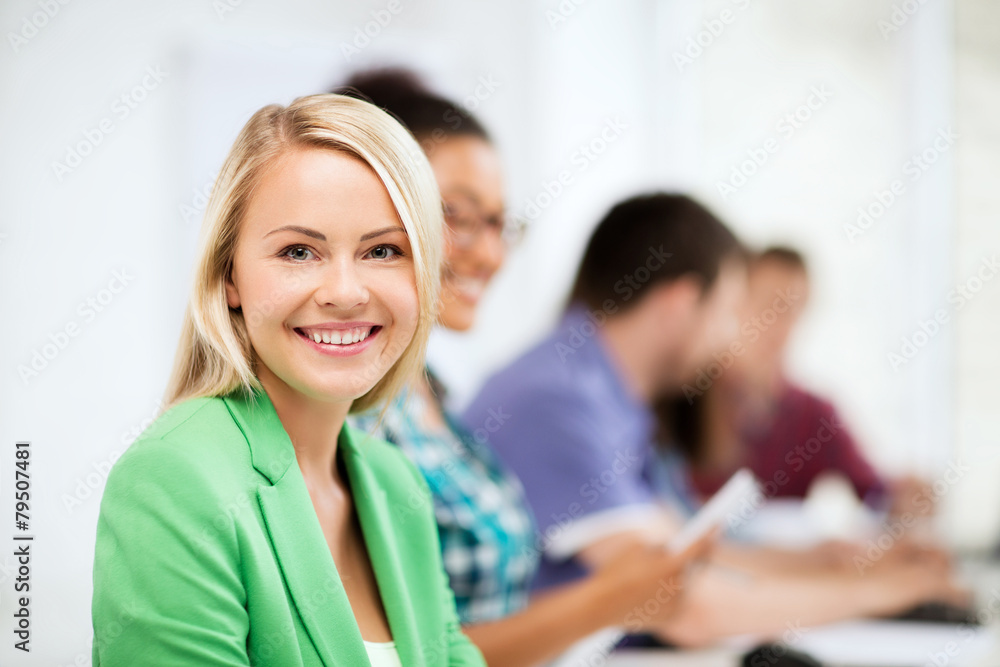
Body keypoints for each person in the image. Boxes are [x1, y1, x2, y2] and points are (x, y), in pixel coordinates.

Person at [464, 194, 965, 647]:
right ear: (680, 304)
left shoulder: (614, 398)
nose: (730, 337)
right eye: (728, 311)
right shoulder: (556, 400)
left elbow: (685, 551)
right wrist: (878, 592)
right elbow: (683, 603)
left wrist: (833, 562)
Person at [91, 93, 485, 665]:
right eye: (299, 251)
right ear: (229, 276)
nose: (346, 292)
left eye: (383, 250)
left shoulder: (393, 481)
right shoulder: (171, 481)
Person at [339, 70, 711, 666]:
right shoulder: (348, 415)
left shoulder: (432, 396)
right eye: (458, 214)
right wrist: (609, 600)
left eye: (500, 224)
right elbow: (404, 655)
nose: (489, 253)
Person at [665, 245, 932, 518]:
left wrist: (906, 498)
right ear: (733, 303)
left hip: (787, 559)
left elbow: (876, 492)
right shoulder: (683, 396)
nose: (779, 323)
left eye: (792, 309)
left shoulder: (815, 414)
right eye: (767, 304)